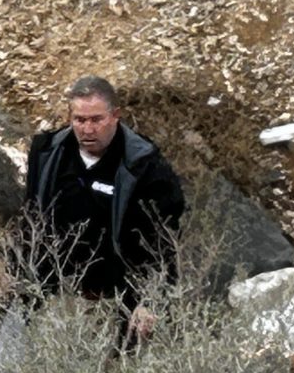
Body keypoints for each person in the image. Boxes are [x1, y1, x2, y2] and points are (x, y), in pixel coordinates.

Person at [22, 75, 185, 340]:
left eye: (97, 119)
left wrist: (152, 301)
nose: (87, 129)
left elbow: (165, 240)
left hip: (116, 298)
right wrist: (21, 274)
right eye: (80, 120)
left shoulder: (144, 167)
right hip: (55, 290)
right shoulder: (47, 152)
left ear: (115, 115)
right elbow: (31, 215)